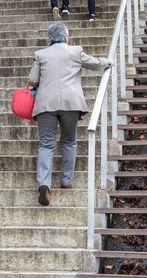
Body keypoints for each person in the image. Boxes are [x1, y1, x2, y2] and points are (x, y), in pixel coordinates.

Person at [27, 22, 114, 205]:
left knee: (46, 145)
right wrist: (108, 62)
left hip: (45, 105)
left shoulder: (41, 54)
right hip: (70, 103)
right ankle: (66, 180)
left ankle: (44, 183)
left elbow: (33, 80)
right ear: (66, 37)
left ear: (50, 38)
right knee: (68, 141)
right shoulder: (75, 51)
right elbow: (94, 63)